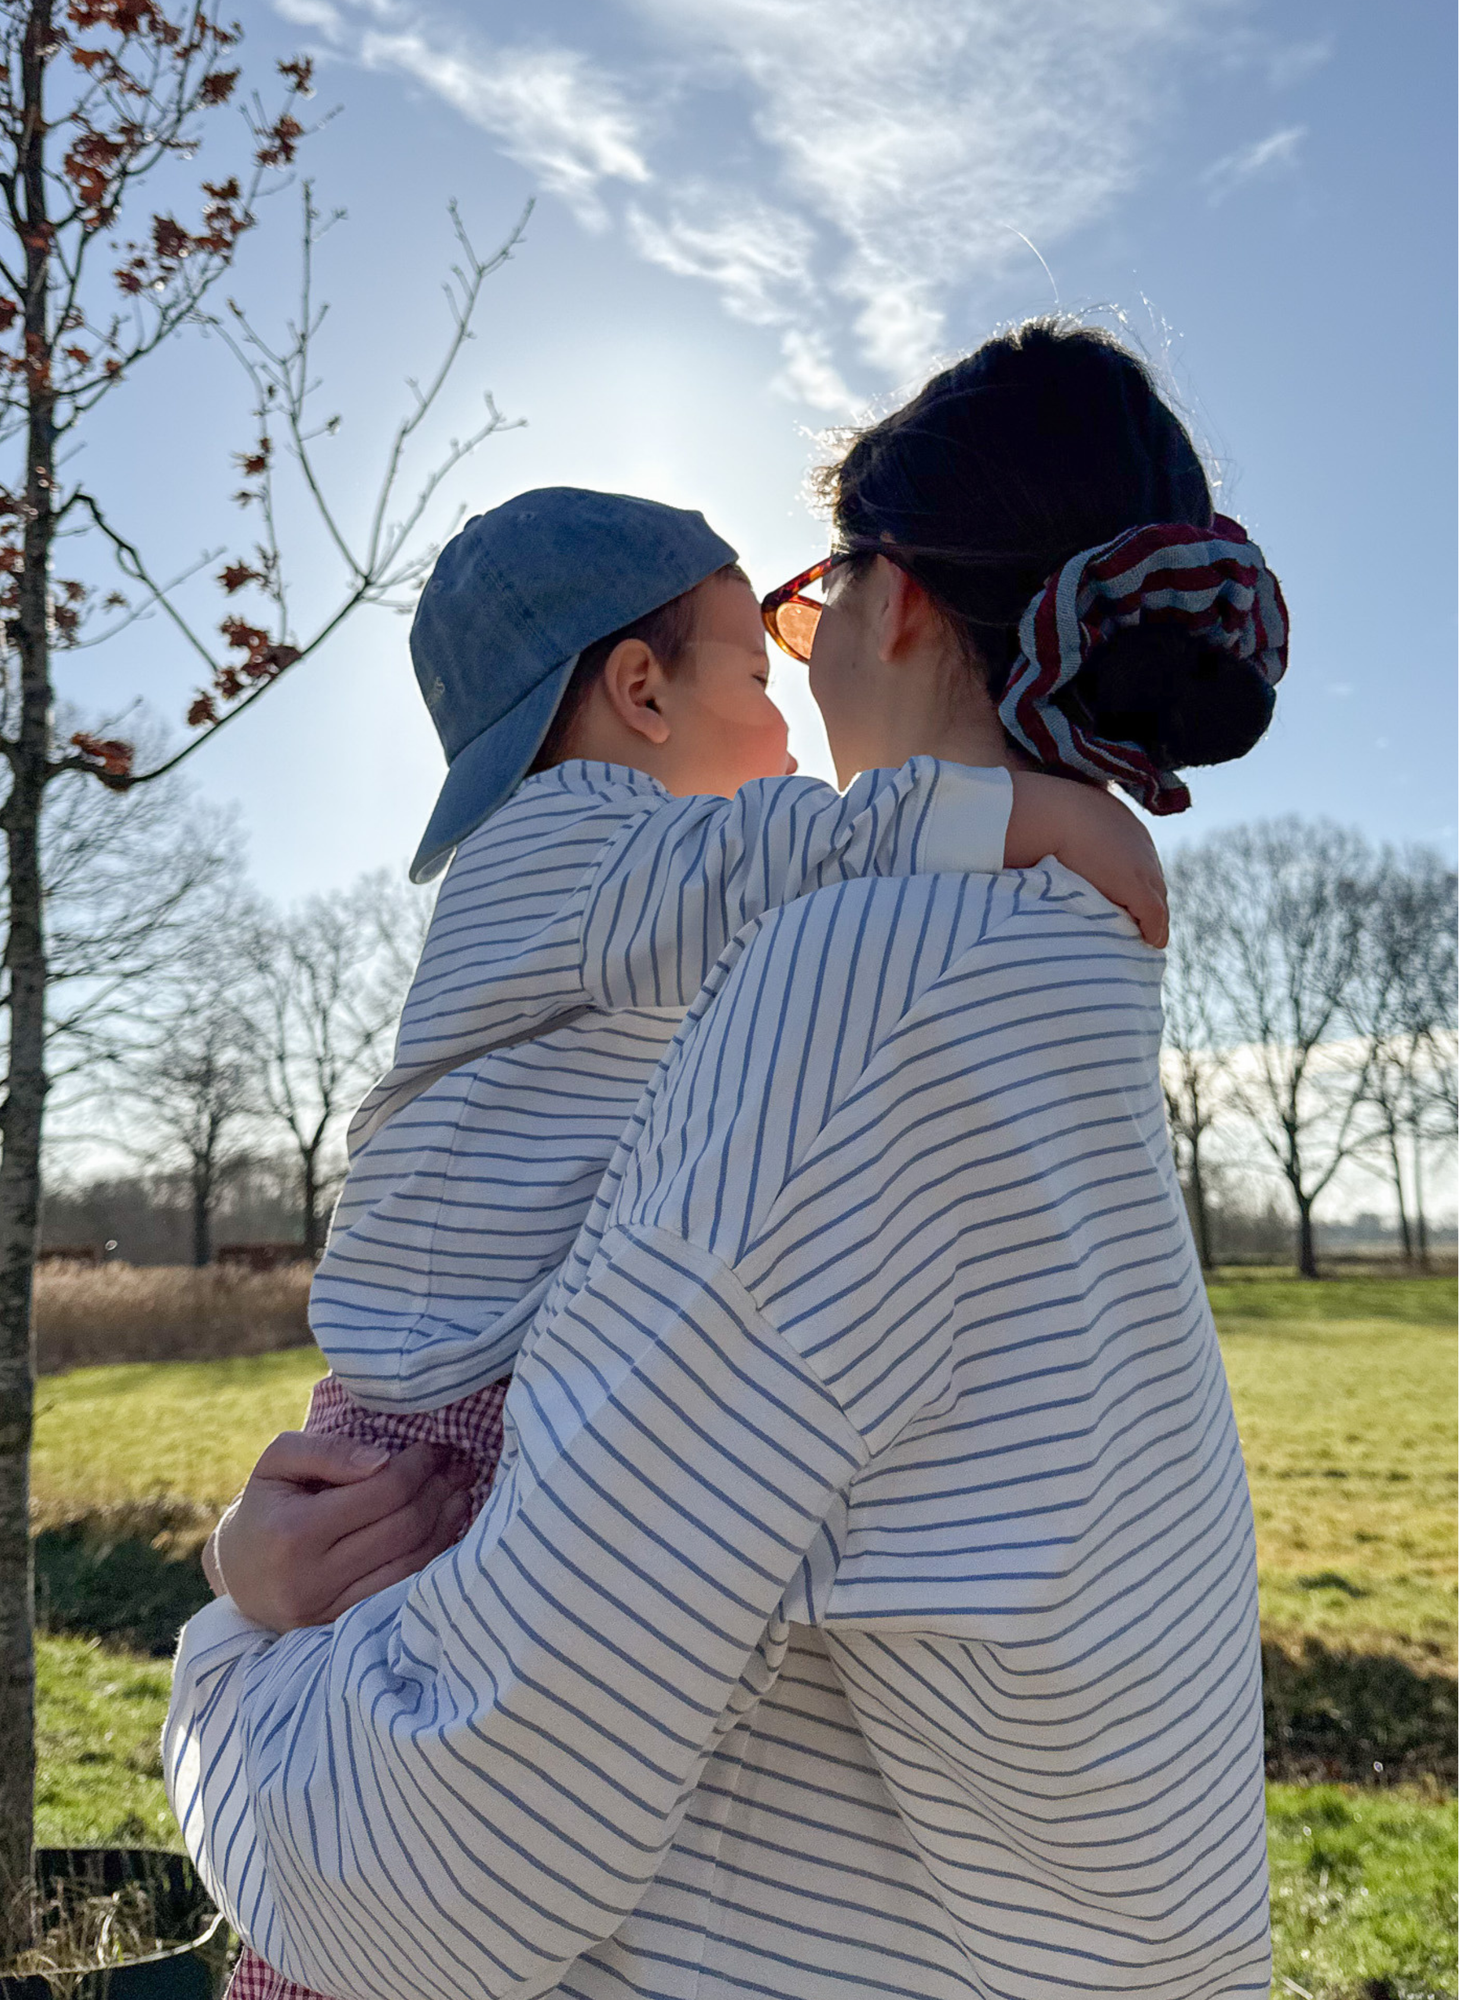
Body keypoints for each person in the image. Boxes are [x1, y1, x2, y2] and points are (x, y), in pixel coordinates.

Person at [168, 319, 1287, 2000]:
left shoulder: (870, 999)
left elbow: (422, 1870)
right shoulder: (1051, 1000)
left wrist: (226, 1646)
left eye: (806, 612)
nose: (794, 683)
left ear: (896, 603)